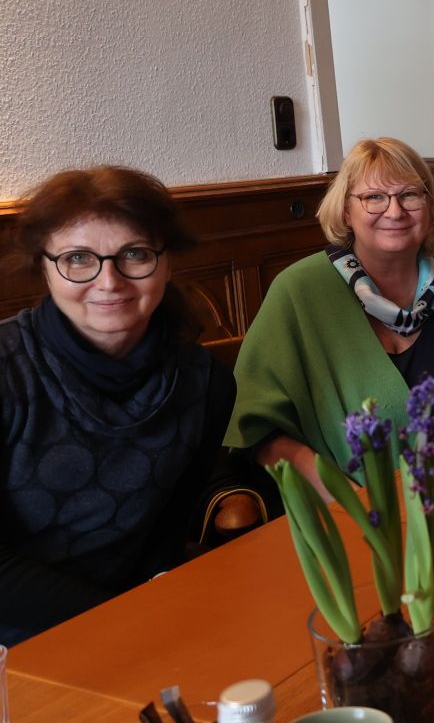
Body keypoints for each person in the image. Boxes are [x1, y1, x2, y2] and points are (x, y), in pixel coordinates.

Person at [0, 166, 263, 645]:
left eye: (134, 254)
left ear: (167, 263)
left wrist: (153, 617)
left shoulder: (204, 384)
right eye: (79, 258)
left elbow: (162, 539)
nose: (109, 281)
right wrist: (125, 620)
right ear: (44, 266)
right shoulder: (7, 369)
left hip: (136, 624)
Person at [226, 138, 434, 489]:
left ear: (429, 206)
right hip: (355, 518)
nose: (395, 211)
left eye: (410, 195)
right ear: (346, 210)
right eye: (374, 197)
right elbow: (258, 429)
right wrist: (345, 499)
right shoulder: (299, 292)